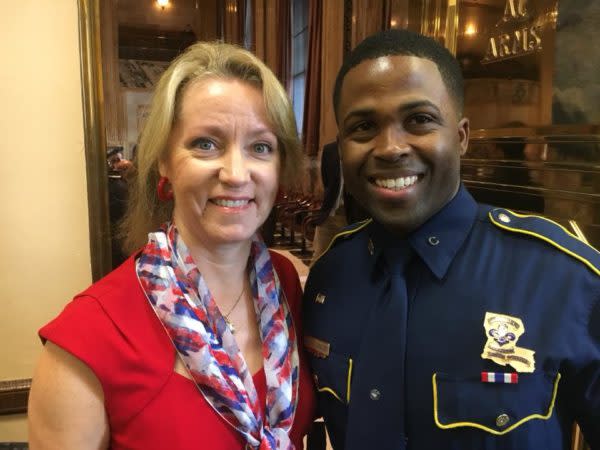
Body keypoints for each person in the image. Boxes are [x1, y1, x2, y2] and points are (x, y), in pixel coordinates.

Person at [303, 29, 600, 450]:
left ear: (460, 137)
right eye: (364, 126)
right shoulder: (330, 277)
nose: (390, 147)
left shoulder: (563, 279)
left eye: (419, 120)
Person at [28, 42, 316, 450]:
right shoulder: (88, 337)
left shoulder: (285, 284)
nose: (236, 174)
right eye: (205, 144)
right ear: (164, 159)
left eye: (260, 147)